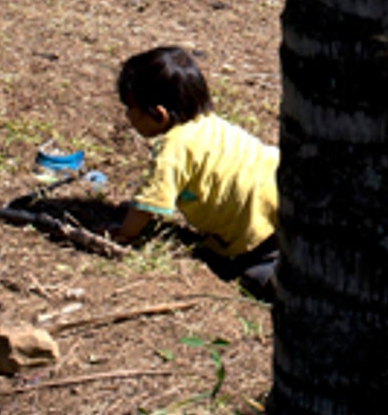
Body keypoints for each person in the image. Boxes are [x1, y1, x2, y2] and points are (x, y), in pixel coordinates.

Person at [111, 46, 280, 296]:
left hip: (263, 235)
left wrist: (124, 234)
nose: (127, 116)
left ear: (158, 114)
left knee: (255, 279)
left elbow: (147, 204)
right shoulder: (211, 125)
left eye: (130, 109)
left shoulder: (173, 148)